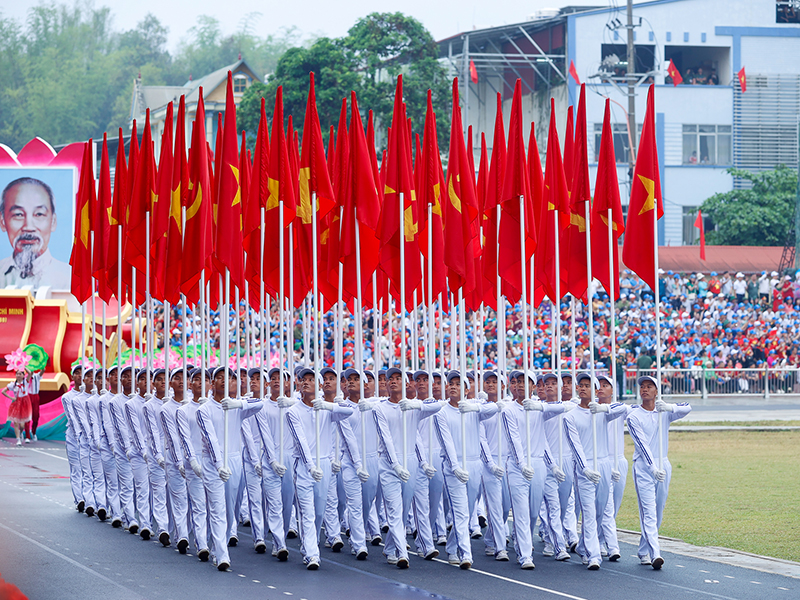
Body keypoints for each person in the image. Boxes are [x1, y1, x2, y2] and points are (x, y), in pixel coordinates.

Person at [372, 367, 442, 568]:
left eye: (398, 378)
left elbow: (437, 406)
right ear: (385, 384)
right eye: (390, 379)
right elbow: (385, 438)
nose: (393, 382)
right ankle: (403, 552)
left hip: (410, 460)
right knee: (394, 508)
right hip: (388, 462)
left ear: (406, 383)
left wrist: (414, 404)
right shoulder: (380, 408)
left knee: (402, 510)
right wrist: (395, 465)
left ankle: (390, 548)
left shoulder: (412, 407)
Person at [285, 368, 355, 570]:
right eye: (303, 380)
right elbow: (300, 441)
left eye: (311, 380)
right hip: (305, 465)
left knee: (318, 512)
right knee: (306, 512)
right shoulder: (293, 412)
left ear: (319, 386)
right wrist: (310, 465)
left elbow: (349, 411)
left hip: (324, 464)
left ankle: (310, 544)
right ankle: (312, 554)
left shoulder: (326, 408)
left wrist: (328, 406)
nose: (306, 383)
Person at [196, 367, 264, 571]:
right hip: (212, 462)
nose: (226, 381)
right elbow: (210, 440)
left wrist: (238, 403)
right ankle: (223, 555)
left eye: (231, 378)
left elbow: (260, 403)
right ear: (212, 383)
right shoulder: (204, 410)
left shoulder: (237, 406)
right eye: (219, 378)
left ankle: (219, 547)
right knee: (217, 509)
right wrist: (218, 465)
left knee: (230, 508)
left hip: (235, 459)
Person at [502, 370, 568, 569]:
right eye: (517, 381)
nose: (520, 384)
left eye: (525, 381)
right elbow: (513, 440)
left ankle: (524, 542)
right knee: (521, 512)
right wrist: (521, 464)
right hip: (517, 466)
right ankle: (525, 555)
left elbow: (562, 408)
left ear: (533, 386)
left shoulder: (539, 408)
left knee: (532, 514)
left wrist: (552, 466)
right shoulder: (508, 410)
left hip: (538, 465)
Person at [433, 371, 499, 570]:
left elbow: (494, 408)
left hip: (474, 463)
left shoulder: (473, 408)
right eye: (450, 383)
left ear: (466, 389)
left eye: (457, 384)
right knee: (460, 512)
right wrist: (454, 466)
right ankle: (465, 554)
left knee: (468, 510)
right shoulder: (441, 413)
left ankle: (452, 548)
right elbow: (447, 443)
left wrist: (472, 405)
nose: (453, 387)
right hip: (454, 467)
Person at [626, 375, 692, 570]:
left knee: (658, 509)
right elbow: (642, 445)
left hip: (663, 464)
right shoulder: (633, 416)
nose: (645, 389)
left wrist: (669, 408)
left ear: (656, 391)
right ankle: (656, 553)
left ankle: (643, 550)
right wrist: (652, 467)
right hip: (645, 467)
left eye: (649, 386)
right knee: (648, 511)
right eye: (642, 387)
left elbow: (687, 407)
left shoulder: (663, 411)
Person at [563, 373, 627, 570]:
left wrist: (602, 408)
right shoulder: (570, 416)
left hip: (604, 464)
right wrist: (585, 469)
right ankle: (593, 555)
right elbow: (576, 446)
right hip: (585, 468)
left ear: (596, 390)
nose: (583, 388)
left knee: (601, 511)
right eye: (580, 385)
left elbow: (623, 407)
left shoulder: (602, 411)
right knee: (589, 513)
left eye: (587, 385)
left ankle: (583, 546)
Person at [0, 177, 70, 289]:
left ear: (53, 222)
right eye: (18, 214)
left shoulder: (70, 279)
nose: (28, 227)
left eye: (39, 214)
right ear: (3, 222)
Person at [175, 368, 211, 561]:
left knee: (214, 506)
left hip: (213, 462)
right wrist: (191, 461)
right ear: (191, 384)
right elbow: (184, 438)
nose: (201, 383)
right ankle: (202, 543)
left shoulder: (215, 408)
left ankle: (214, 539)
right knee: (198, 504)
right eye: (196, 380)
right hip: (193, 461)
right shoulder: (183, 410)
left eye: (205, 380)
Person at [159, 368, 191, 554]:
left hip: (195, 460)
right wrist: (179, 461)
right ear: (171, 384)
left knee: (196, 502)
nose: (181, 381)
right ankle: (182, 536)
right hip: (174, 459)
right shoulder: (166, 409)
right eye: (176, 379)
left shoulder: (196, 406)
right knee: (179, 499)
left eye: (184, 378)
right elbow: (171, 437)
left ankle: (194, 536)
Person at [108, 366, 138, 533]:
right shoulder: (114, 402)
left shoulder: (143, 400)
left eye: (131, 376)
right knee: (126, 484)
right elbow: (120, 426)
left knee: (141, 487)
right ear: (121, 381)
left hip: (142, 449)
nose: (128, 379)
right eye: (125, 376)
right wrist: (127, 448)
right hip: (123, 447)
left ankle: (143, 520)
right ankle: (130, 519)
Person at [60, 366, 85, 511]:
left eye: (83, 373)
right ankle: (79, 498)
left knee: (89, 470)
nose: (80, 376)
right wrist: (79, 434)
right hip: (73, 436)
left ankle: (90, 499)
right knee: (76, 468)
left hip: (89, 437)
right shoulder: (67, 397)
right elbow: (72, 417)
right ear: (72, 377)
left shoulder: (93, 396)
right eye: (77, 373)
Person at [6, 370, 32, 445]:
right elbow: (3, 391)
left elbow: (30, 373)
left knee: (22, 425)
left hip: (24, 404)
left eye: (20, 374)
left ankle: (21, 433)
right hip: (16, 404)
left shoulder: (25, 382)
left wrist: (24, 366)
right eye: (17, 374)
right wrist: (11, 398)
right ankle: (18, 439)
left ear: (23, 375)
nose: (18, 375)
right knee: (16, 423)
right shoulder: (13, 384)